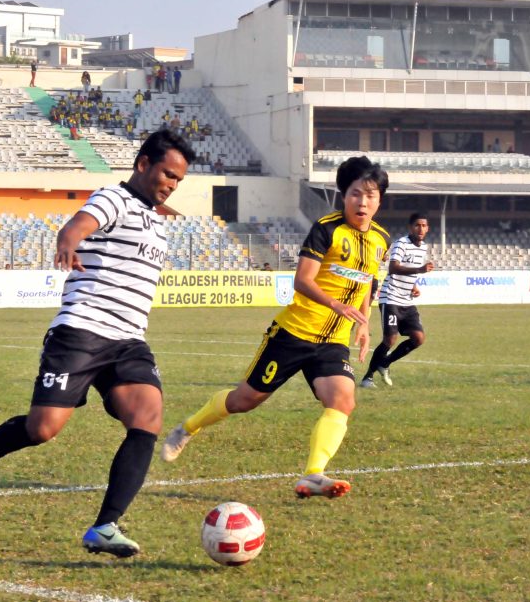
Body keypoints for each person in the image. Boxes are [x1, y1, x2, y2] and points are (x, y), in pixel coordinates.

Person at [0, 130, 198, 558]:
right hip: (82, 330)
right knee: (42, 430)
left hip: (128, 339)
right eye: (167, 174)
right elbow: (77, 225)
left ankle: (106, 525)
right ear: (143, 163)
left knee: (147, 416)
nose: (171, 184)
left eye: (179, 180)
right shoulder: (114, 198)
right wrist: (68, 244)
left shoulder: (158, 220)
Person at [160, 156, 390, 500]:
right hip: (294, 333)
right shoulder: (326, 229)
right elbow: (303, 280)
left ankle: (314, 474)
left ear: (379, 200)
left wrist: (364, 323)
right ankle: (188, 427)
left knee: (343, 400)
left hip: (332, 342)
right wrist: (336, 305)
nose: (362, 202)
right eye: (356, 193)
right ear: (344, 196)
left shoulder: (381, 239)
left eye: (370, 195)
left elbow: (367, 280)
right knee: (244, 400)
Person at [359, 212, 433, 388]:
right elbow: (393, 268)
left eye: (424, 225)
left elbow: (411, 270)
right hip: (390, 297)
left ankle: (384, 363)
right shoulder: (401, 243)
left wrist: (413, 286)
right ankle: (367, 378)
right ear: (410, 227)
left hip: (406, 300)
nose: (420, 229)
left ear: (428, 228)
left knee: (418, 338)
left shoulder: (423, 247)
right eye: (417, 225)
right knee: (390, 339)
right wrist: (420, 270)